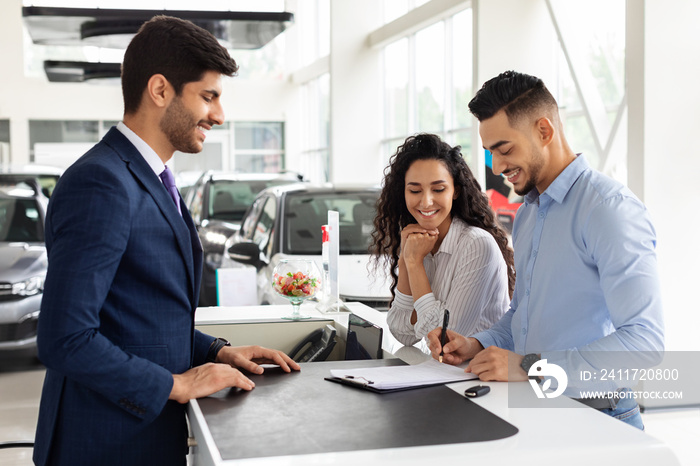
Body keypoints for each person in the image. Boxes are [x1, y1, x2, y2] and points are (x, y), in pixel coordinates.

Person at [33, 16, 300, 466]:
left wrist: (218, 351)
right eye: (208, 96)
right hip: (104, 445)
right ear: (160, 91)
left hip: (139, 438)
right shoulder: (102, 182)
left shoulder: (150, 177)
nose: (218, 115)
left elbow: (135, 319)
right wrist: (178, 384)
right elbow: (65, 338)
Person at [428, 70, 664, 429]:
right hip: (537, 410)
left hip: (598, 417)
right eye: (490, 153)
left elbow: (644, 342)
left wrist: (529, 368)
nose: (497, 166)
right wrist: (477, 344)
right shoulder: (529, 215)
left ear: (544, 131)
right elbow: (522, 315)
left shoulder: (608, 209)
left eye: (504, 149)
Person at [371, 133, 515, 347]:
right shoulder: (417, 242)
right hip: (445, 373)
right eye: (414, 190)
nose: (426, 201)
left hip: (482, 376)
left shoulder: (476, 244)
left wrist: (414, 263)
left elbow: (445, 337)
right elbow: (403, 334)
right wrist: (408, 258)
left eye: (438, 189)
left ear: (455, 191)